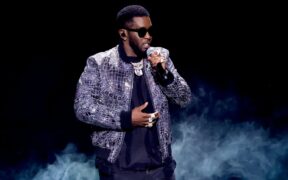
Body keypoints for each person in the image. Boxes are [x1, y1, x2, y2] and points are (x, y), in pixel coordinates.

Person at [74, 4, 191, 180]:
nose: (149, 37)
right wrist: (126, 119)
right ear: (123, 34)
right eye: (142, 32)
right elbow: (82, 108)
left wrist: (164, 75)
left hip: (161, 169)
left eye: (150, 30)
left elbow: (184, 98)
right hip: (118, 170)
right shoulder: (100, 63)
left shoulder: (161, 57)